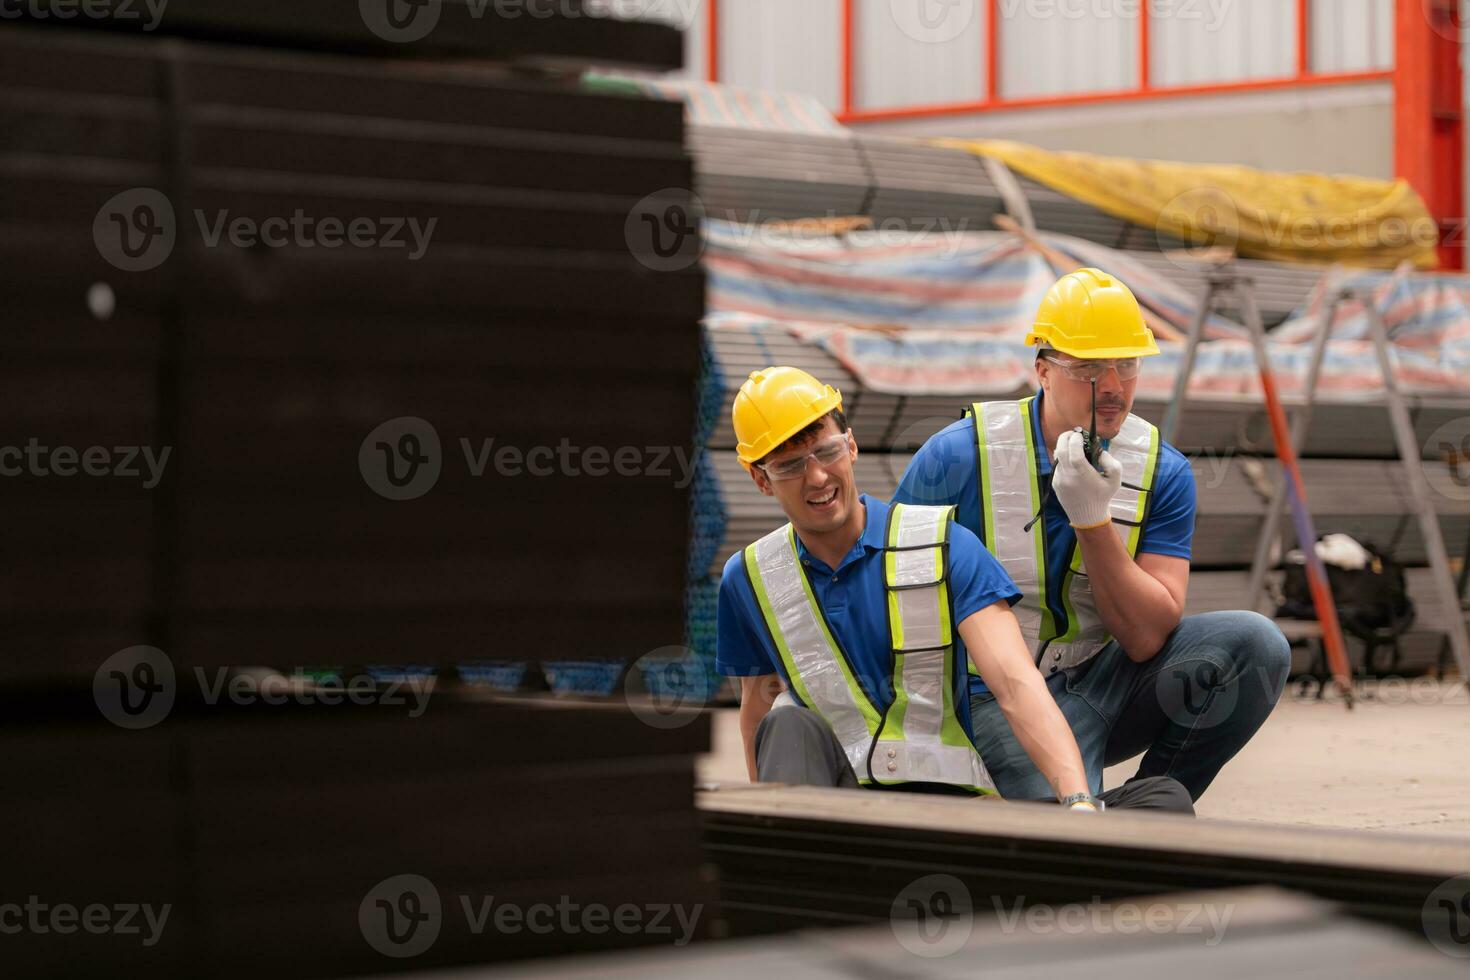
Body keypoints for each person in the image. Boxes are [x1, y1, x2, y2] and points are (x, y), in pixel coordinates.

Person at [716, 365, 1193, 813]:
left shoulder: (942, 544)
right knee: (787, 722)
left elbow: (1014, 682)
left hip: (949, 811)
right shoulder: (751, 577)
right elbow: (757, 711)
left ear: (852, 445)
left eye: (826, 451)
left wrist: (1078, 801)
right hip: (844, 813)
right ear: (760, 479)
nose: (817, 476)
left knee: (1162, 803)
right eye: (790, 466)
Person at [893, 268, 1290, 802]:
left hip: (1097, 683)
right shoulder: (957, 456)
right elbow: (891, 600)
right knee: (1059, 830)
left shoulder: (1161, 470)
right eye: (1087, 367)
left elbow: (1147, 637)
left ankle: (1154, 798)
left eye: (1126, 364)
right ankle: (1116, 820)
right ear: (1043, 370)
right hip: (988, 694)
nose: (1113, 386)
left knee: (1256, 645)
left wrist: (1092, 520)